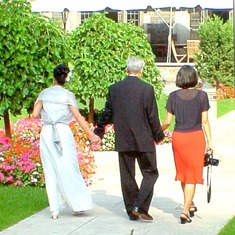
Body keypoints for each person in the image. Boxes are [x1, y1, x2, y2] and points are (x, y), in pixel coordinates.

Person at [94, 57, 164, 221]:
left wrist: (99, 130)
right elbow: (152, 115)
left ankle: (132, 210)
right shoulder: (147, 89)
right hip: (143, 139)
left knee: (127, 175)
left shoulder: (115, 89)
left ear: (126, 70)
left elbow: (107, 112)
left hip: (124, 138)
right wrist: (158, 135)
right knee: (151, 172)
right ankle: (140, 205)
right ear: (141, 71)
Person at [32, 64, 101, 220]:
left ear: (53, 78)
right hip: (63, 131)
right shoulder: (68, 95)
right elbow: (78, 117)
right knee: (69, 166)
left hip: (48, 131)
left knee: (49, 169)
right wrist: (91, 134)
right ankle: (77, 204)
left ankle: (54, 209)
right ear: (65, 79)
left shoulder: (44, 94)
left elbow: (35, 114)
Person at [161, 65, 212, 224]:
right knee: (192, 175)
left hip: (179, 138)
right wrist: (210, 142)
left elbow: (168, 122)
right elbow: (204, 121)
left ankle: (190, 205)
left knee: (183, 172)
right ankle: (184, 211)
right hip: (195, 137)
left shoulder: (173, 96)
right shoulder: (202, 96)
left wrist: (155, 131)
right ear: (194, 78)